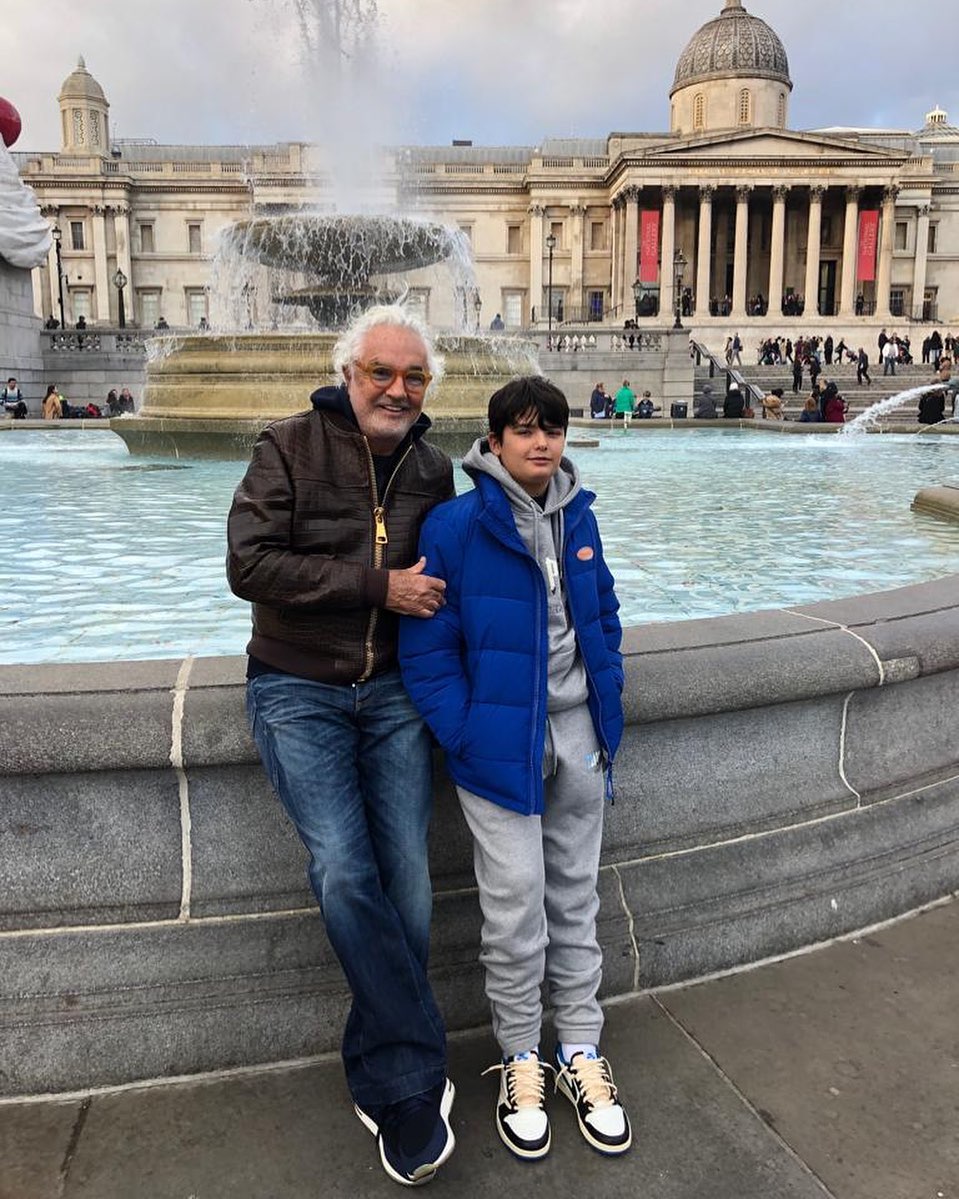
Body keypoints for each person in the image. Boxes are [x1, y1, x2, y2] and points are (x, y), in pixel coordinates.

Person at [226, 305, 457, 1187]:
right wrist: (374, 586)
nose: (398, 389)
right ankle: (408, 1074)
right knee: (343, 871)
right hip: (297, 686)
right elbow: (248, 564)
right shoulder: (286, 444)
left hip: (395, 692)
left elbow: (458, 577)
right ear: (347, 373)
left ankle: (385, 1053)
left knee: (407, 883)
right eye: (380, 373)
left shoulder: (435, 468)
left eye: (414, 376)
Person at [399, 376, 630, 1163]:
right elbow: (426, 649)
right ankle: (520, 1058)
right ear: (493, 441)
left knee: (575, 896)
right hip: (496, 745)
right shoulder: (456, 524)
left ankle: (578, 1051)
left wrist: (608, 706)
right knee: (513, 908)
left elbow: (603, 615)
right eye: (524, 430)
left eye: (552, 429)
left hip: (578, 737)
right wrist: (465, 734)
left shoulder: (582, 515)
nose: (540, 442)